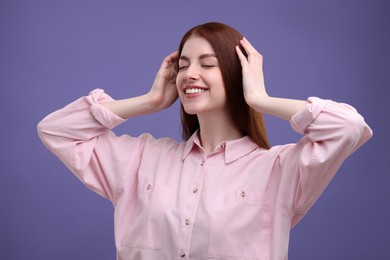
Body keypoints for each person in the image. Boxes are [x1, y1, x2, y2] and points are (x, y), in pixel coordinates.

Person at [37, 22, 372, 260]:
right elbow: (56, 130)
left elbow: (348, 126)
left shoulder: (280, 169)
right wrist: (148, 101)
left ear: (236, 73)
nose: (189, 74)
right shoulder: (140, 159)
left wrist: (260, 98)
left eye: (207, 64)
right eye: (183, 65)